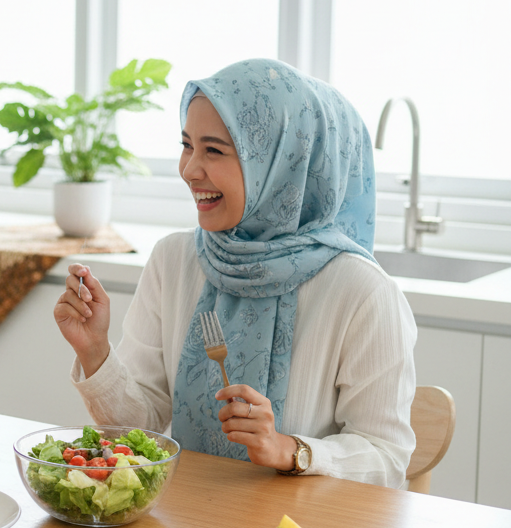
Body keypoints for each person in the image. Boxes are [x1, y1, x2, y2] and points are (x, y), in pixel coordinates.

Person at [54, 58, 416, 487]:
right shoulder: (174, 260)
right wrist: (94, 350)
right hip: (187, 523)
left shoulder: (362, 292)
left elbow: (387, 458)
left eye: (215, 151)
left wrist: (290, 450)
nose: (189, 169)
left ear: (282, 164)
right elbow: (140, 430)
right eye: (187, 145)